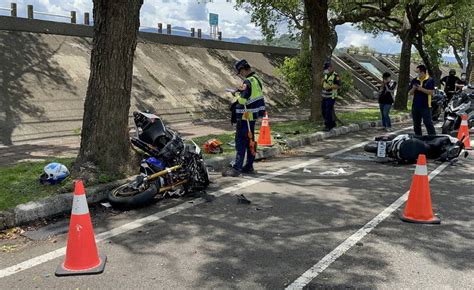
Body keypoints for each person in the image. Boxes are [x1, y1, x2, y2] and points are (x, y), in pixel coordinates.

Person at [222, 59, 266, 177]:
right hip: (252, 117)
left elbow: (242, 100)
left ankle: (237, 167)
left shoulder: (247, 81)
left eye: (240, 72)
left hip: (244, 117)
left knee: (241, 141)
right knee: (250, 141)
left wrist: (235, 93)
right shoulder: (257, 79)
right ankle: (249, 166)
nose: (240, 74)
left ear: (243, 69)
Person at [409, 64, 436, 136]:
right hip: (415, 105)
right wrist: (414, 88)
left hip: (426, 106)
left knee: (428, 122)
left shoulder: (430, 80)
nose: (417, 74)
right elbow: (410, 93)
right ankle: (418, 138)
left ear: (423, 72)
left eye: (418, 72)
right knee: (416, 124)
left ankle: (432, 137)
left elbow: (431, 92)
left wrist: (421, 89)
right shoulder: (415, 80)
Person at [321, 61, 341, 131]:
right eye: (325, 69)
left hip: (332, 96)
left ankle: (328, 126)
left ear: (331, 68)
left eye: (327, 68)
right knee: (323, 110)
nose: (326, 70)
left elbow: (338, 86)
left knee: (328, 111)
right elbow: (323, 84)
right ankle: (332, 123)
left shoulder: (336, 76)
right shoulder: (326, 75)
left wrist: (329, 87)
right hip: (324, 96)